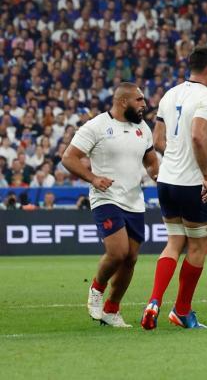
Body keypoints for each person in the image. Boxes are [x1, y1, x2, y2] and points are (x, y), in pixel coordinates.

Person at [61, 83, 158, 328]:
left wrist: (157, 174)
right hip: (106, 197)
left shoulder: (143, 129)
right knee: (117, 252)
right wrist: (94, 179)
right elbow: (68, 158)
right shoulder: (96, 126)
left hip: (134, 200)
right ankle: (96, 289)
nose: (144, 104)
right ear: (123, 101)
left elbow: (151, 161)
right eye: (139, 100)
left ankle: (112, 310)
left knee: (131, 258)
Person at [141, 45, 207, 331]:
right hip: (190, 184)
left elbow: (159, 140)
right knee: (198, 246)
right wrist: (205, 174)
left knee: (174, 241)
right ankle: (182, 311)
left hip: (166, 181)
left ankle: (153, 301)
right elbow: (199, 137)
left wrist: (185, 156)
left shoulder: (170, 94)